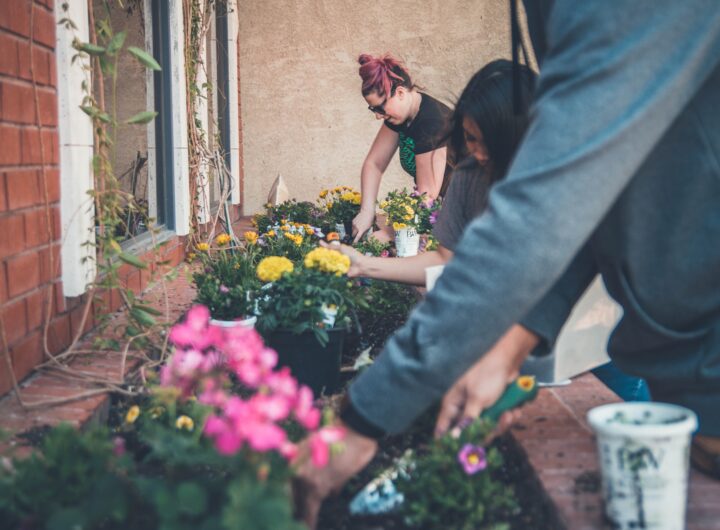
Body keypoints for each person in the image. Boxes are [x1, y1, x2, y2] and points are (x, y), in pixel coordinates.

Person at [295, 1, 720, 526]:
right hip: (686, 368)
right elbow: (583, 210)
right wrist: (513, 340)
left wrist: (365, 417)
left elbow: (548, 211)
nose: (473, 157)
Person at [352, 53, 452, 243]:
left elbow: (426, 197)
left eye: (380, 108)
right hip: (440, 212)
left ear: (400, 93)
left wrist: (389, 233)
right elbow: (374, 163)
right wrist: (366, 211)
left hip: (470, 213)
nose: (378, 116)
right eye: (373, 110)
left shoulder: (431, 123)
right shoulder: (401, 116)